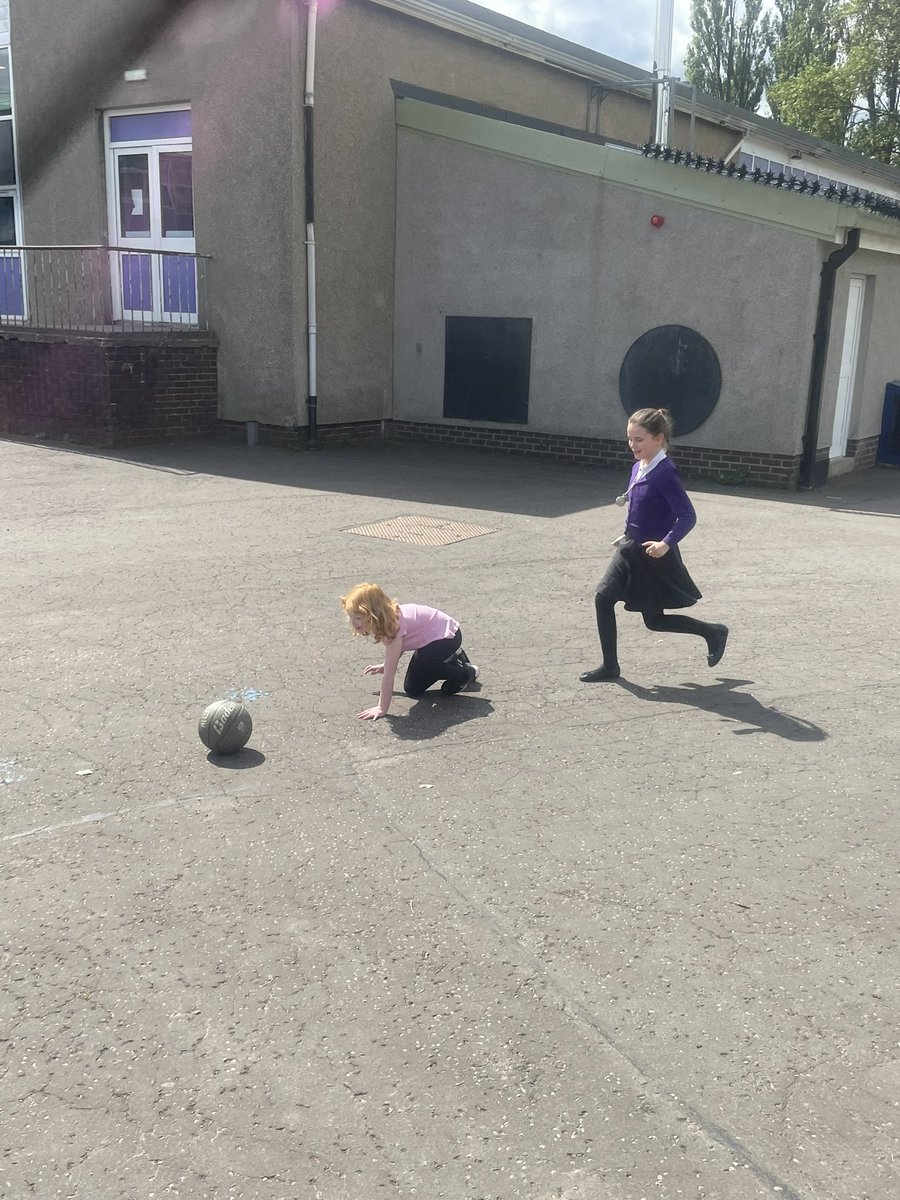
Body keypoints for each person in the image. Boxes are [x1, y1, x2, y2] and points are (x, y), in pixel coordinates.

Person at [580, 407, 728, 682]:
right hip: (630, 549)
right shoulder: (639, 466)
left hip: (652, 556)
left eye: (639, 439)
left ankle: (713, 632)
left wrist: (666, 544)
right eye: (630, 439)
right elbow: (639, 506)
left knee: (654, 621)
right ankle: (610, 667)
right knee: (603, 598)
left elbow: (687, 515)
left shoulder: (665, 473)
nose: (632, 445)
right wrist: (626, 534)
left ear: (658, 439)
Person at [341, 582, 478, 720]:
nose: (353, 622)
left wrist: (381, 708)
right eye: (350, 616)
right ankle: (451, 660)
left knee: (426, 664)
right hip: (429, 641)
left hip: (448, 636)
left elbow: (389, 676)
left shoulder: (392, 626)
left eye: (358, 618)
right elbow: (399, 646)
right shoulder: (385, 621)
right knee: (413, 689)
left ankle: (464, 673)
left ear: (374, 614)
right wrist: (385, 665)